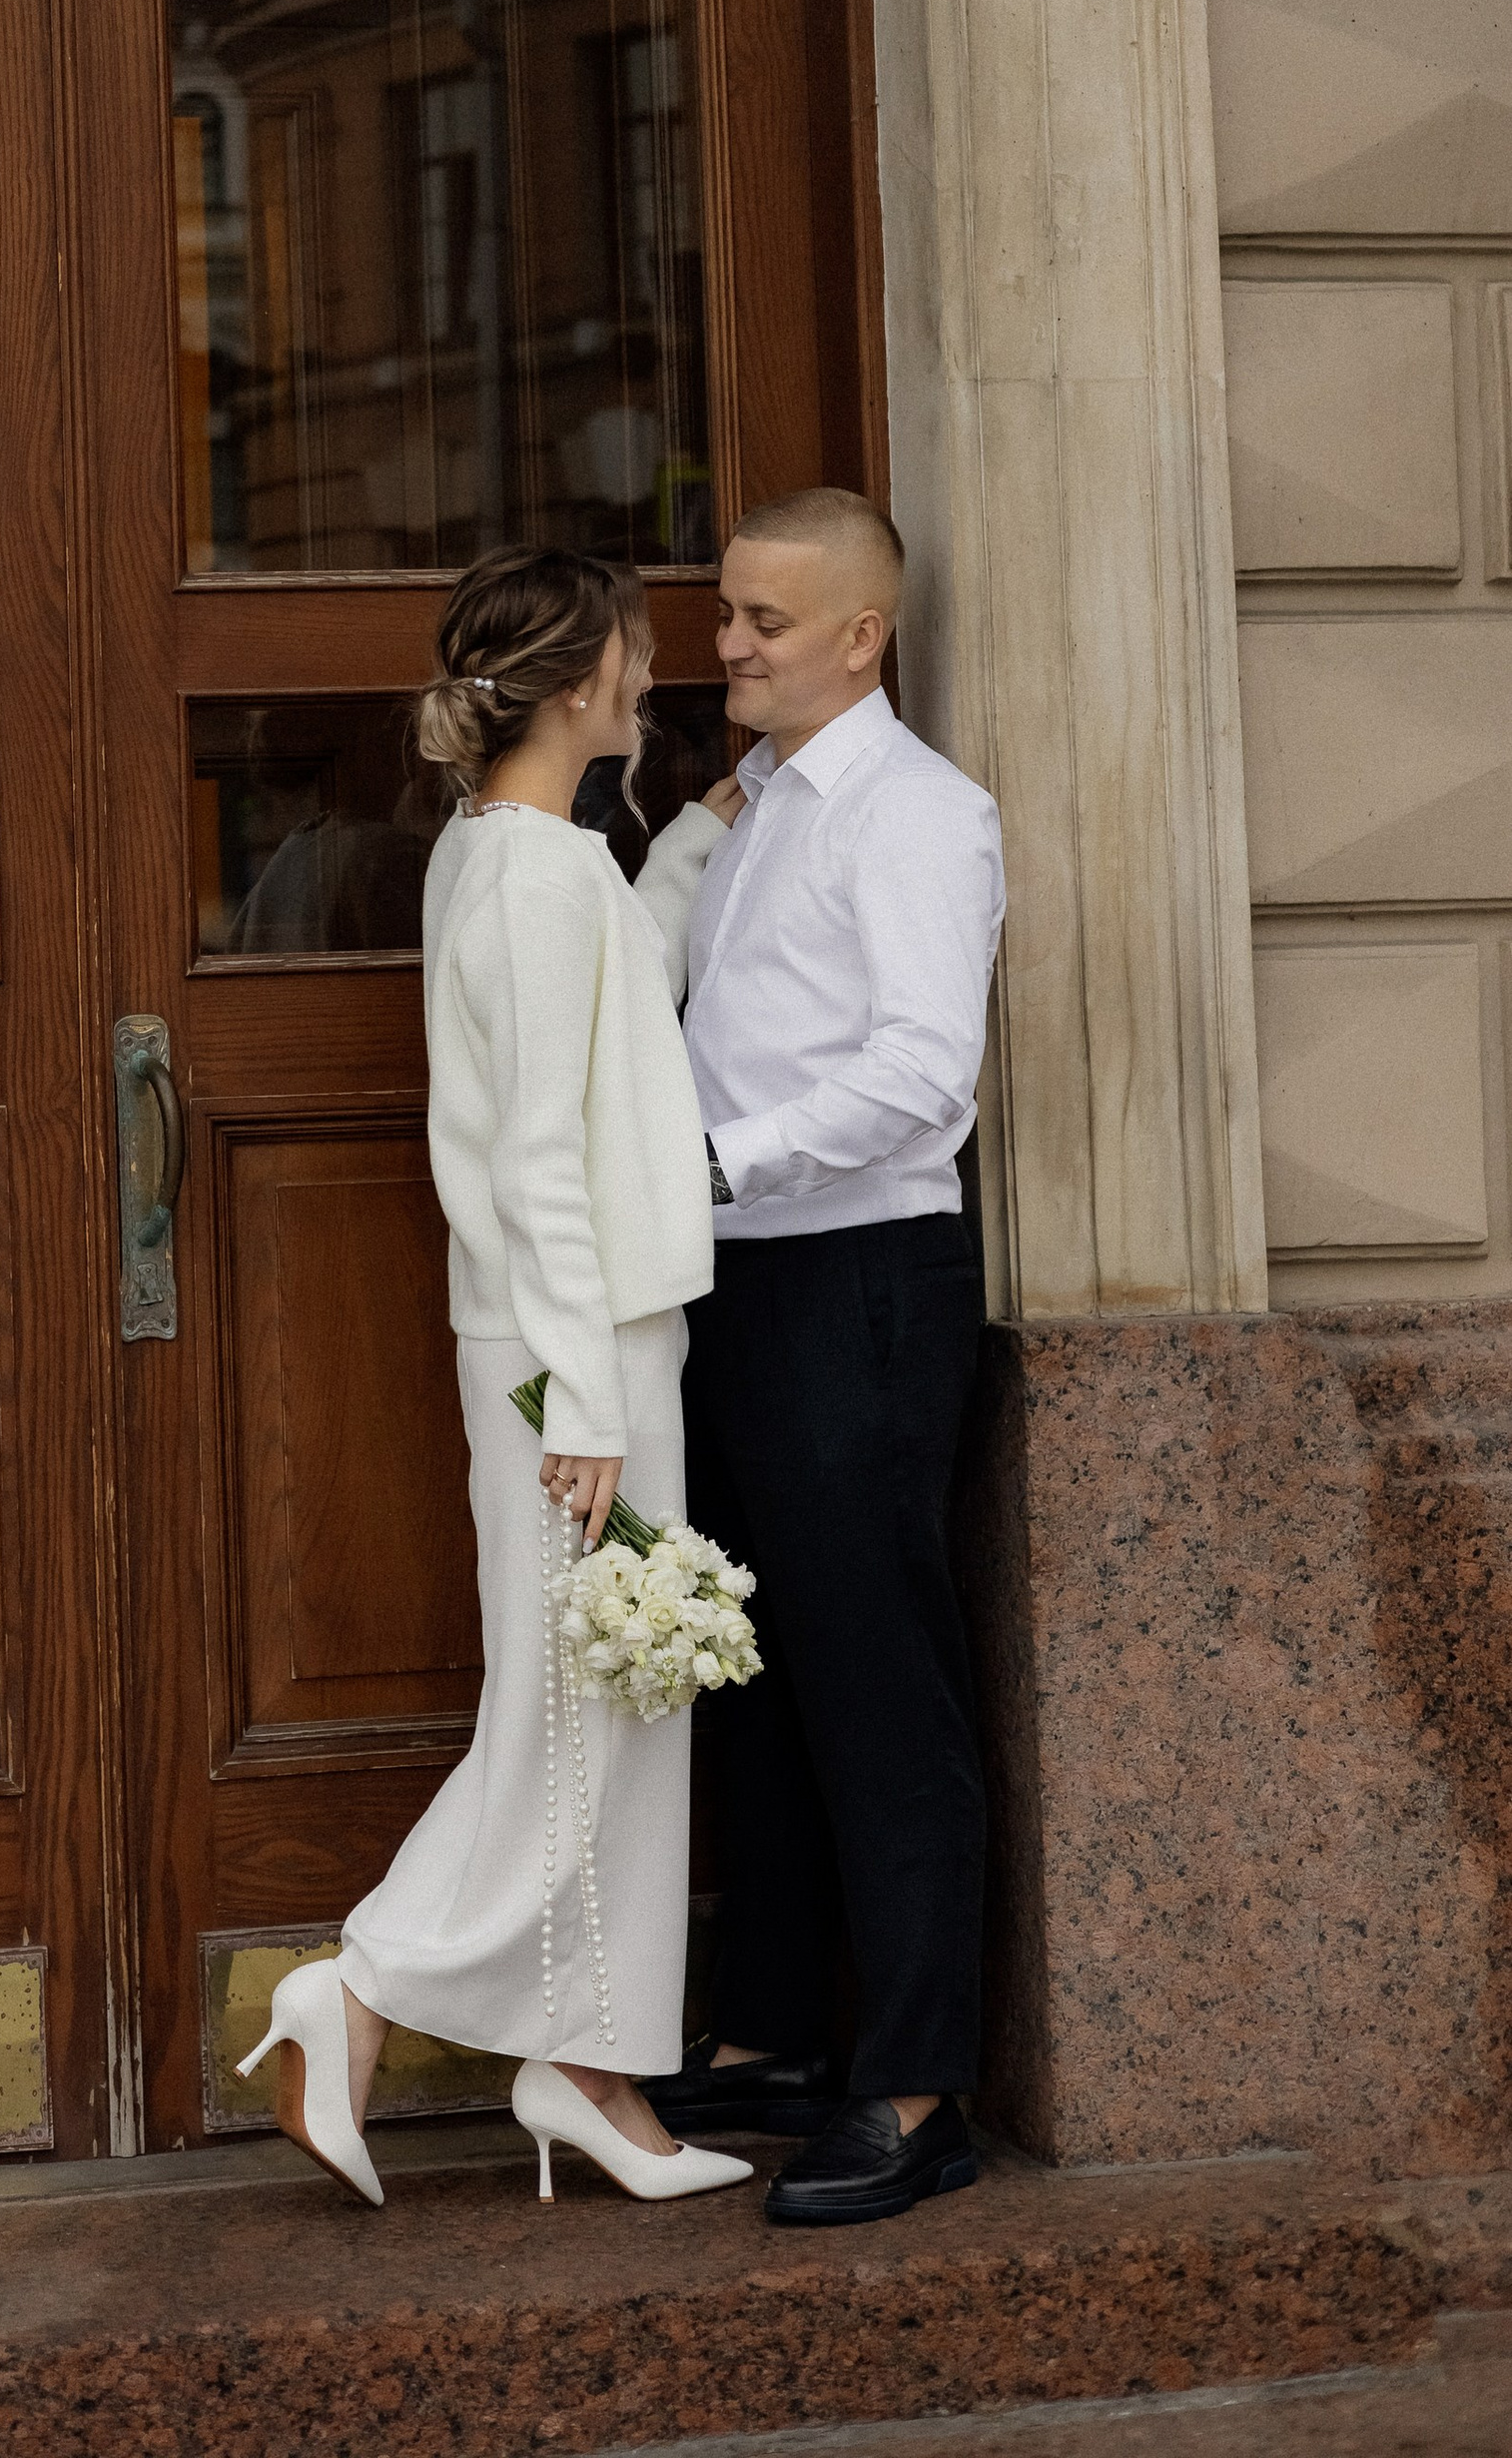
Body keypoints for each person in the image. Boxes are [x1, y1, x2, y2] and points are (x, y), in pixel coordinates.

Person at [237, 543, 751, 2213]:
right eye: (639, 651)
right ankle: (371, 1987)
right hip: (566, 1359)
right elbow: (539, 1156)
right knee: (570, 1714)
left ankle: (586, 2062)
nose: (658, 673)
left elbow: (609, 1006)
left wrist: (679, 850)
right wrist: (589, 1406)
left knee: (612, 1711)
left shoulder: (519, 853)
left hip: (575, 1342)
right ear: (582, 684)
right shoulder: (527, 875)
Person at [638, 486, 1006, 2228]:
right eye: (724, 615)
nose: (729, 645)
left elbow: (928, 1073)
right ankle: (782, 2039)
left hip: (861, 1282)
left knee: (878, 1686)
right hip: (741, 1287)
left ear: (863, 636)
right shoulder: (763, 802)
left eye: (766, 622)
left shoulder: (923, 818)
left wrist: (717, 1166)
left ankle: (919, 2087)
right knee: (760, 1685)